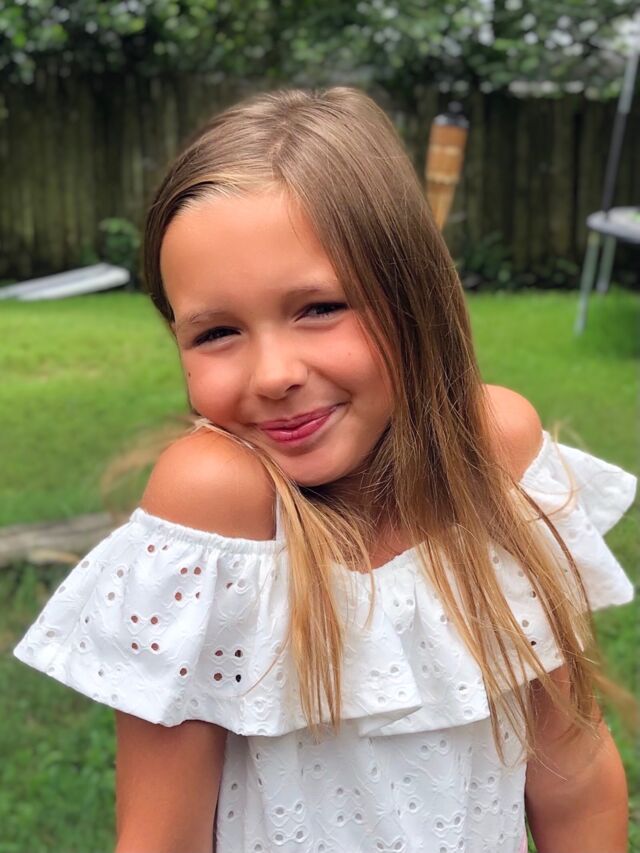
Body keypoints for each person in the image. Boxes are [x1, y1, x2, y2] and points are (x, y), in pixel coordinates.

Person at [14, 87, 636, 853]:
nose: (275, 373)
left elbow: (575, 779)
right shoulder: (217, 509)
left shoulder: (496, 456)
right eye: (217, 332)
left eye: (318, 308)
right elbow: (162, 839)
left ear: (413, 295)